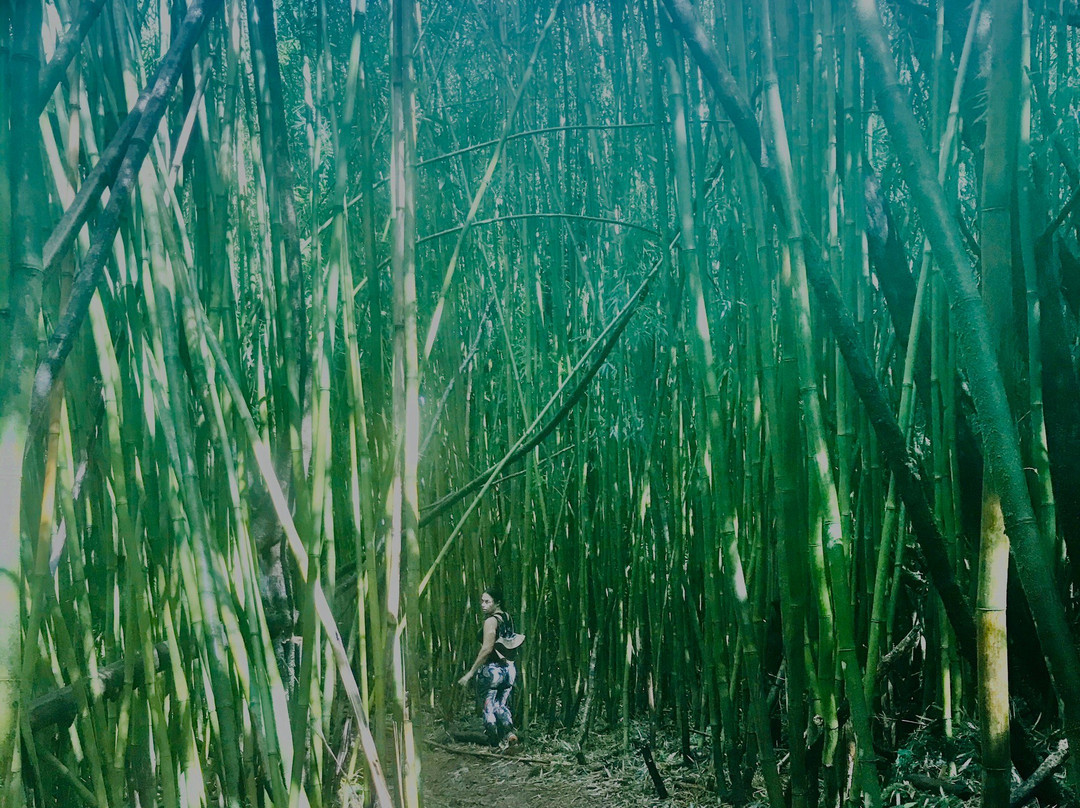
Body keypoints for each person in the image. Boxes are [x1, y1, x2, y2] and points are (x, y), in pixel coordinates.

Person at [458, 586, 519, 747]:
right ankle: (510, 734)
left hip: (492, 671)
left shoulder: (491, 621)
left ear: (497, 603)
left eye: (487, 601)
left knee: (488, 707)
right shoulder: (507, 617)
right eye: (482, 601)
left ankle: (495, 744)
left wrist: (470, 673)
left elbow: (486, 649)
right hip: (509, 669)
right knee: (502, 705)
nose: (483, 605)